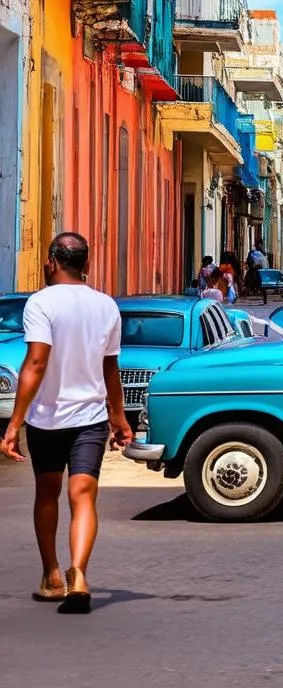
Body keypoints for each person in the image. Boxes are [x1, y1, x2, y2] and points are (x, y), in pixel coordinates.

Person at [0, 233, 133, 613]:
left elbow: (36, 362)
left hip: (47, 419)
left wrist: (14, 423)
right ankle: (80, 573)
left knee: (47, 494)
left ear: (51, 262)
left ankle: (52, 576)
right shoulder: (106, 305)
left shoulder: (41, 303)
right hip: (90, 418)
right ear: (85, 265)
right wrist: (118, 417)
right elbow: (110, 368)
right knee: (83, 496)